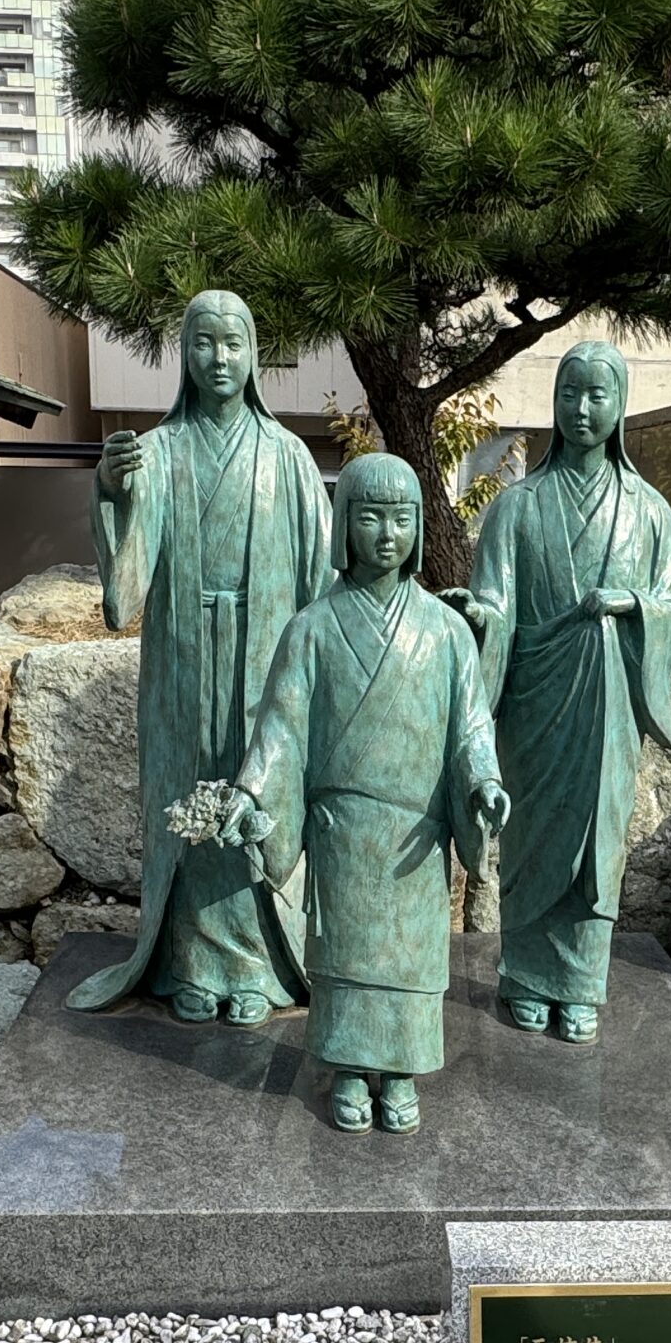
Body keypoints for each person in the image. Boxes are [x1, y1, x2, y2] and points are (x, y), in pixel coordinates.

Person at [218, 454, 508, 1135]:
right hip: (343, 826)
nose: (386, 533)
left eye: (402, 517)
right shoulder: (312, 628)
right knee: (345, 953)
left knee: (408, 956)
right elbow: (281, 730)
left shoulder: (446, 631)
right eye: (370, 516)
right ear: (344, 524)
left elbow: (470, 724)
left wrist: (485, 782)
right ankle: (348, 1069)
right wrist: (254, 795)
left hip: (416, 829)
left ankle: (401, 1071)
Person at [67, 289, 330, 1025]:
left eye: (234, 343)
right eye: (204, 343)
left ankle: (257, 969)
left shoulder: (290, 458)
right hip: (182, 663)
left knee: (257, 797)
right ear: (184, 355)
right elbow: (127, 589)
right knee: (186, 800)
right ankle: (188, 961)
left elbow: (319, 585)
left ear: (255, 357)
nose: (219, 358)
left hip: (266, 663)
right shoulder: (159, 452)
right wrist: (115, 495)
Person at [453, 341, 671, 1045]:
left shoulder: (648, 511)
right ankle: (524, 975)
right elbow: (497, 603)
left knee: (598, 840)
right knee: (530, 834)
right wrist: (479, 618)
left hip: (609, 700)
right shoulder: (516, 509)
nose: (582, 409)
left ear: (620, 408)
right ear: (553, 405)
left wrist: (636, 607)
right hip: (535, 700)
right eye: (569, 394)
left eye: (597, 395)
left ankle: (581, 985)